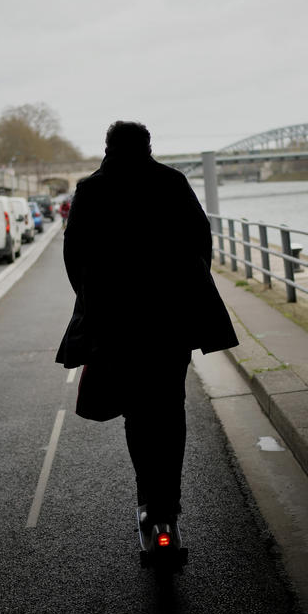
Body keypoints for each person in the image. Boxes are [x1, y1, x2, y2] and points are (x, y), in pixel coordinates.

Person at [56, 121, 238, 530]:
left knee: (136, 413)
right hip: (171, 321)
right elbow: (200, 239)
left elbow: (74, 256)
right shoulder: (173, 182)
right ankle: (169, 504)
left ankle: (147, 500)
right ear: (148, 145)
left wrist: (91, 301)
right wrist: (191, 289)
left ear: (108, 147)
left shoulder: (91, 189)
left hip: (116, 325)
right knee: (171, 408)